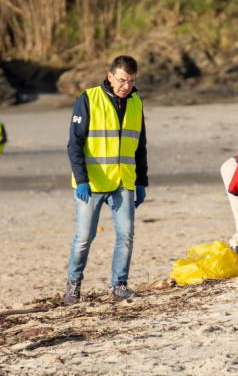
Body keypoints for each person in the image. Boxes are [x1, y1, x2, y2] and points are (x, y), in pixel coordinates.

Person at [64, 55, 148, 304]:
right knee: (84, 237)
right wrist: (81, 179)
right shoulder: (88, 98)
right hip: (92, 183)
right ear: (110, 76)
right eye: (122, 80)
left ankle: (120, 284)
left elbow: (140, 146)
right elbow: (74, 144)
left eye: (131, 81)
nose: (127, 86)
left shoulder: (136, 103)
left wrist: (142, 180)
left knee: (127, 233)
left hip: (124, 181)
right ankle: (73, 284)